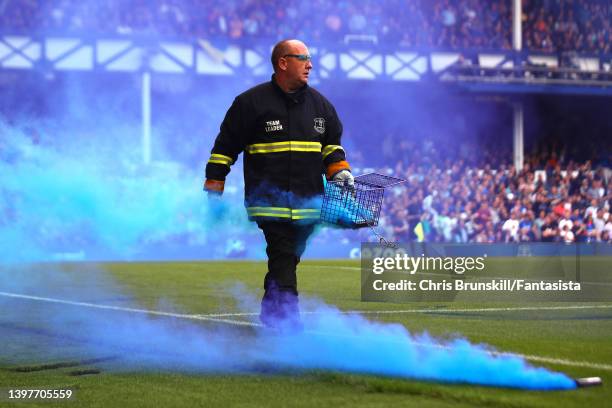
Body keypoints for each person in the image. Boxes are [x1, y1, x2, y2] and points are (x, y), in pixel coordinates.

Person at [203, 39, 353, 330]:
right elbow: (225, 147)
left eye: (310, 58)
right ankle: (287, 328)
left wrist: (340, 172)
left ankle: (271, 314)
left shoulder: (322, 106)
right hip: (269, 204)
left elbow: (332, 147)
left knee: (285, 261)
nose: (310, 64)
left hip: (309, 206)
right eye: (303, 58)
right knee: (283, 255)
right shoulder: (249, 103)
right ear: (283, 62)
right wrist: (214, 185)